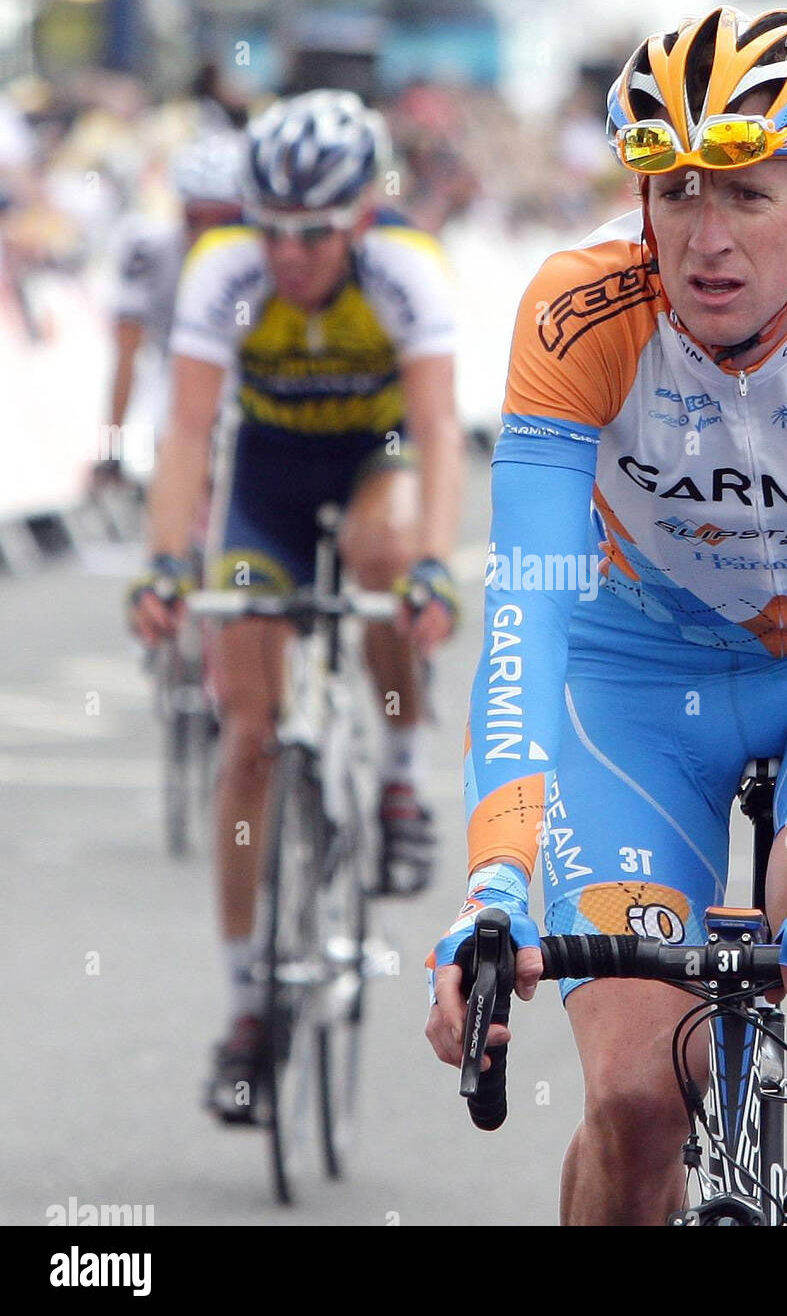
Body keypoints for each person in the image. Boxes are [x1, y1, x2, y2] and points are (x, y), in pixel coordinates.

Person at [426, 7, 787, 1225]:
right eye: (674, 191)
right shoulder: (576, 310)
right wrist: (494, 882)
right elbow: (529, 603)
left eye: (744, 192)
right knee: (636, 1099)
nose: (705, 236)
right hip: (636, 676)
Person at [128, 89, 462, 1120]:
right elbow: (188, 434)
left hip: (378, 456)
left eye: (312, 235)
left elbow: (440, 430)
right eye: (270, 230)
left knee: (383, 555)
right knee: (246, 733)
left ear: (360, 217)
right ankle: (245, 1011)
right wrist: (165, 563)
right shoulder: (223, 270)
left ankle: (401, 772)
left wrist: (434, 568)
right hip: (268, 476)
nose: (288, 255)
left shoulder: (407, 269)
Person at [96, 131, 246, 487]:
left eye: (224, 220)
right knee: (173, 443)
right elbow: (126, 354)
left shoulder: (272, 252)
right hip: (177, 373)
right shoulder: (149, 249)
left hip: (248, 373)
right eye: (195, 218)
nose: (207, 233)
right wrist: (110, 450)